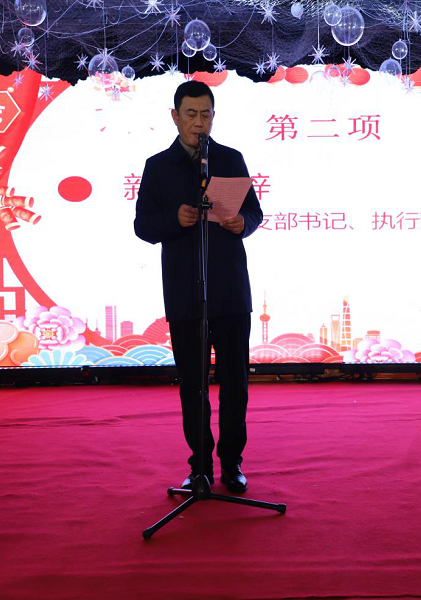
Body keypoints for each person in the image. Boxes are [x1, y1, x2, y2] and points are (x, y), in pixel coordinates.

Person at [133, 81, 263, 493]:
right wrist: (175, 219)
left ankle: (232, 463)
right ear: (175, 117)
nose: (199, 122)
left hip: (230, 290)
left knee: (235, 383)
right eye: (191, 114)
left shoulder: (230, 158)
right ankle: (200, 466)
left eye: (206, 114)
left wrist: (243, 223)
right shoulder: (158, 166)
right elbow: (143, 226)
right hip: (185, 293)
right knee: (193, 385)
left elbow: (255, 213)